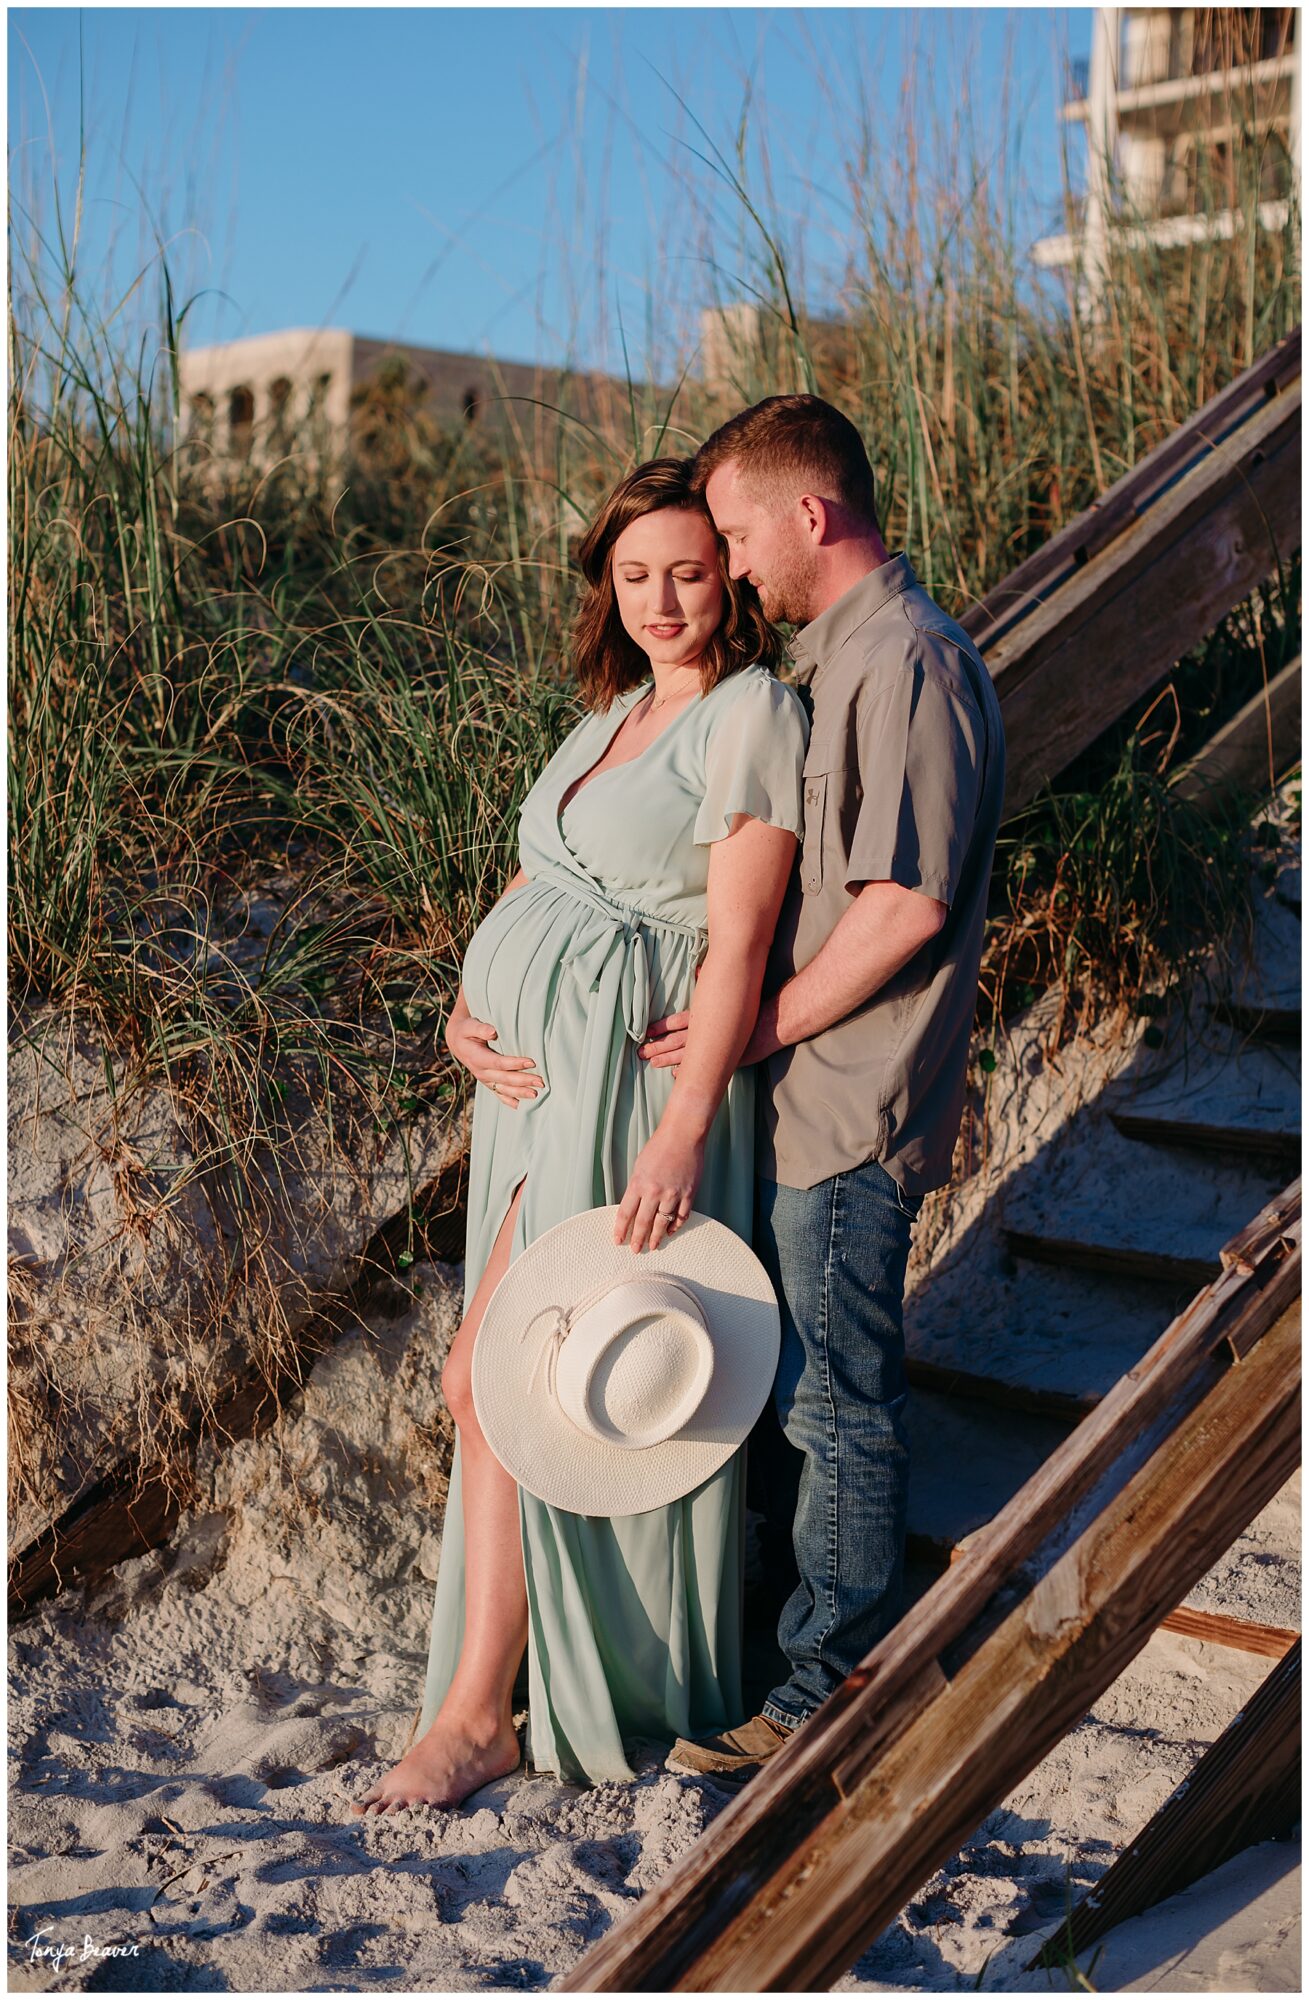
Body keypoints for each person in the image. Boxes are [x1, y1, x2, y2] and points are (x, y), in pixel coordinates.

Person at [352, 456, 809, 1812]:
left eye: (684, 569)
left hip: (623, 1097)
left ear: (726, 575)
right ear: (603, 588)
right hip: (528, 1101)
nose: (660, 598)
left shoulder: (747, 715)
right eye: (632, 575)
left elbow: (734, 943)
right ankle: (496, 1693)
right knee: (490, 1380)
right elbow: (537, 875)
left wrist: (678, 1132)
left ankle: (480, 1712)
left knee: (518, 1379)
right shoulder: (606, 710)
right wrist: (461, 1009)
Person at [638, 395, 1006, 1781]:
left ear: (810, 513)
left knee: (836, 1405)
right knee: (803, 1391)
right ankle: (784, 1658)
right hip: (809, 1095)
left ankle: (824, 1692)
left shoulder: (901, 657)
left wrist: (752, 1031)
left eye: (733, 535)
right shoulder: (844, 658)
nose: (727, 566)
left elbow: (902, 904)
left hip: (849, 1100)